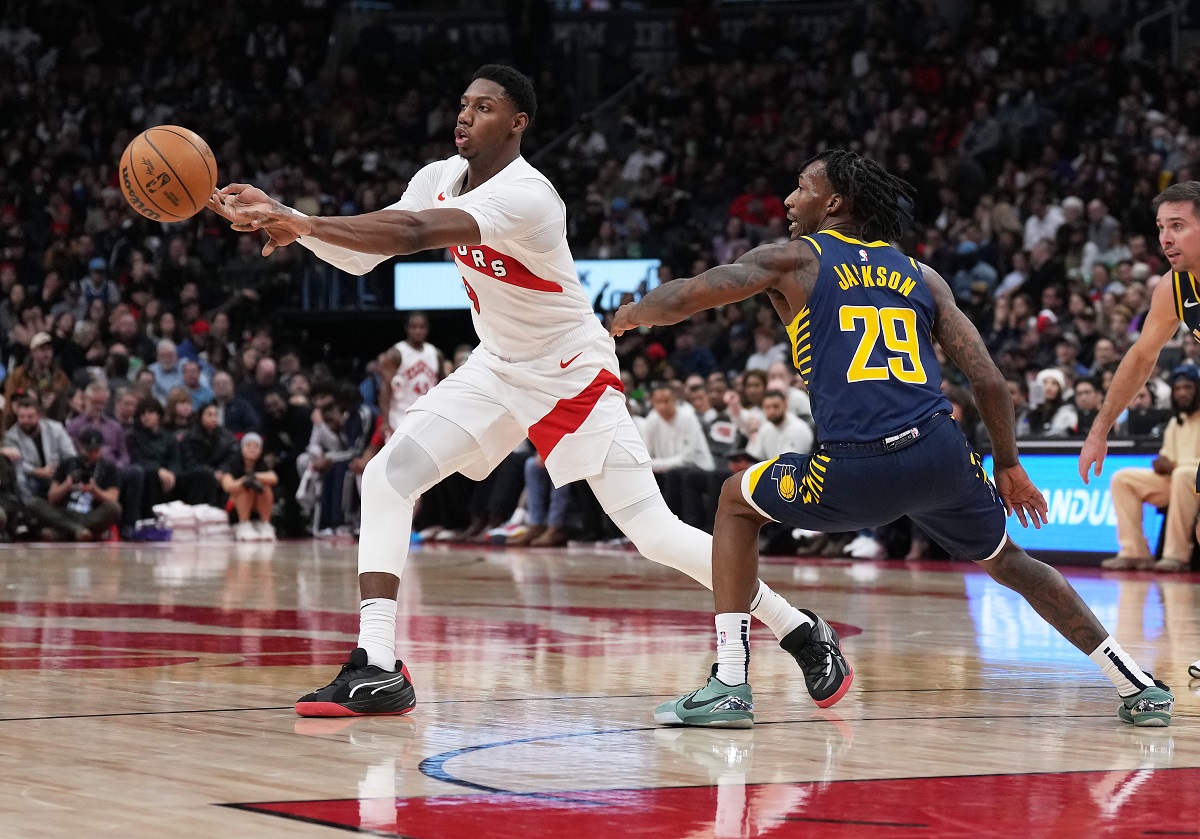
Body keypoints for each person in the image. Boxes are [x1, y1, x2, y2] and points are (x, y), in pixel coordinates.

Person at [210, 64, 817, 717]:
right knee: (386, 475)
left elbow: (413, 234)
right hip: (497, 366)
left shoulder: (530, 196)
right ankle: (378, 665)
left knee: (653, 532)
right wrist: (295, 222)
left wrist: (296, 219)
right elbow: (366, 253)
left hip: (568, 370)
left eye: (486, 107)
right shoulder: (439, 177)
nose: (466, 116)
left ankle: (798, 627)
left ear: (518, 122)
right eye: (464, 104)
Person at [612, 149, 1172, 728]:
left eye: (802, 187)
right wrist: (1008, 464)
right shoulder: (920, 274)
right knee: (1012, 561)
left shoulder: (793, 259)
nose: (788, 200)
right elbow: (987, 379)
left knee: (734, 500)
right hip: (940, 456)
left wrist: (630, 313)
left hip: (856, 466)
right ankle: (1135, 683)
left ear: (832, 203)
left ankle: (730, 682)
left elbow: (685, 297)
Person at [1100, 367, 1200, 572]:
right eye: (1178, 388)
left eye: (1187, 387)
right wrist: (1162, 462)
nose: (1181, 392)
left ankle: (1177, 556)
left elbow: (1182, 467)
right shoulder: (1175, 422)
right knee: (1123, 478)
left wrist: (1175, 466)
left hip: (1191, 480)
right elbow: (1169, 458)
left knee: (1182, 475)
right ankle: (1135, 553)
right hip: (1178, 481)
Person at [31, 427, 121, 542]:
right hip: (65, 511)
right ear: (81, 448)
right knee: (35, 503)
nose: (92, 454)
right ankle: (77, 530)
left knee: (115, 509)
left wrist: (95, 491)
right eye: (89, 451)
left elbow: (113, 499)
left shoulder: (109, 467)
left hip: (91, 514)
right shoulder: (67, 463)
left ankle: (65, 532)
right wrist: (66, 486)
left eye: (96, 450)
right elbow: (52, 498)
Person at [380, 312, 442, 438]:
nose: (417, 331)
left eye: (421, 327)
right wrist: (385, 421)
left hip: (427, 417)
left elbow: (443, 386)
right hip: (400, 418)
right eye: (413, 327)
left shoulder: (435, 354)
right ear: (407, 329)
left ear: (427, 329)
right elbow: (385, 390)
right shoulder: (396, 354)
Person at [220, 432, 278, 541]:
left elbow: (273, 478)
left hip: (256, 506)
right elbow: (227, 485)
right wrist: (244, 481)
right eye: (248, 446)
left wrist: (254, 476)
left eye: (256, 446)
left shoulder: (261, 465)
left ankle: (265, 524)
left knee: (265, 488)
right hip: (234, 507)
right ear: (242, 448)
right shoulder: (232, 462)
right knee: (244, 489)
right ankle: (243, 524)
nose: (252, 449)